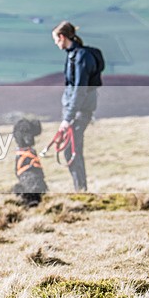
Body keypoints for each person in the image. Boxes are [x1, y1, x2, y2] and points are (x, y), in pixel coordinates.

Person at [52, 21, 99, 192]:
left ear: (62, 37)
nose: (56, 44)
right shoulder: (74, 55)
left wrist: (67, 118)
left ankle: (81, 190)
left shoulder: (80, 58)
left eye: (56, 40)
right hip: (76, 111)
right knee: (73, 150)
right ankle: (80, 189)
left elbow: (79, 89)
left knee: (71, 151)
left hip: (79, 112)